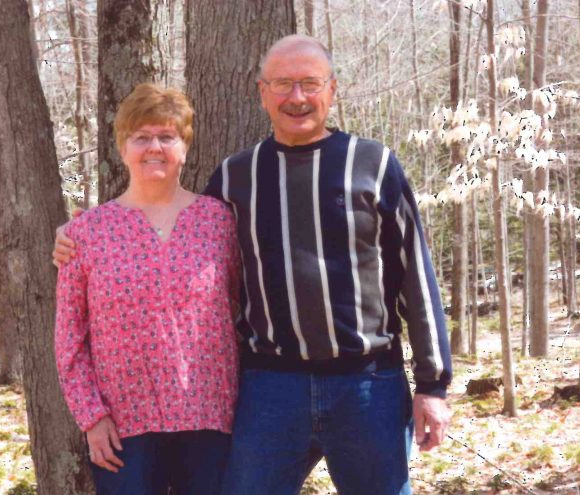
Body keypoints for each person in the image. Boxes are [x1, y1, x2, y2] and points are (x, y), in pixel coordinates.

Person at [54, 35, 451, 495]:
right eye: (282, 84)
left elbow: (416, 277)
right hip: (270, 390)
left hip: (367, 385)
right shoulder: (235, 178)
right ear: (262, 92)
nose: (296, 97)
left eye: (310, 83)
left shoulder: (373, 165)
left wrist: (433, 384)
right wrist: (74, 235)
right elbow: (170, 231)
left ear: (332, 89)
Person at [54, 82, 240, 495]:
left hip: (210, 419)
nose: (154, 147)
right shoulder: (87, 233)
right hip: (123, 427)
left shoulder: (219, 222)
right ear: (123, 148)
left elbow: (245, 307)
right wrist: (91, 417)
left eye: (167, 136)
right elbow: (69, 337)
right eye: (141, 137)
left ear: (184, 148)